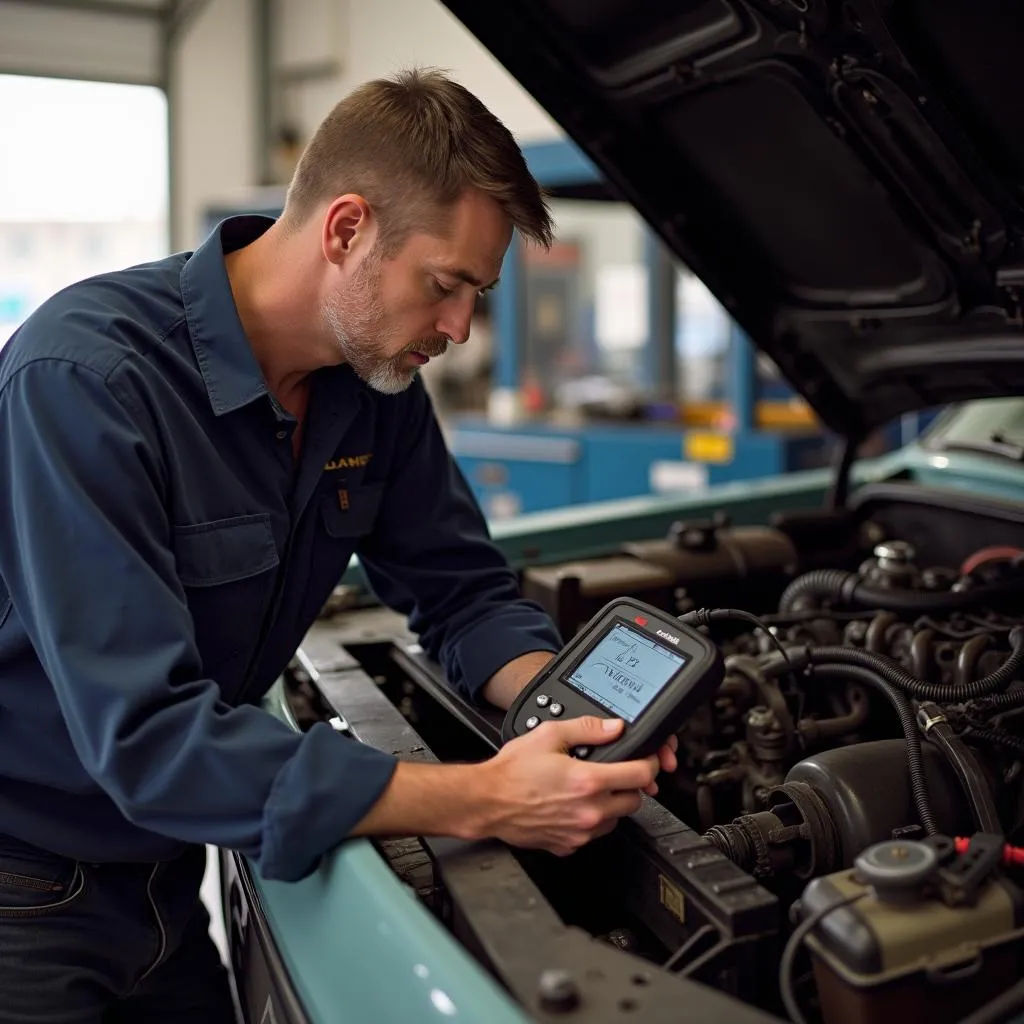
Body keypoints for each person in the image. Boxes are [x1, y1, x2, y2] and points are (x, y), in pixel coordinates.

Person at [0, 68, 678, 1022]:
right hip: (24, 888)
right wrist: (484, 797)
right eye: (445, 286)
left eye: (475, 295)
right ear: (347, 229)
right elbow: (151, 741)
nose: (458, 329)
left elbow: (461, 590)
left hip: (166, 869)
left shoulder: (374, 389)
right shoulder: (86, 382)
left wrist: (567, 710)